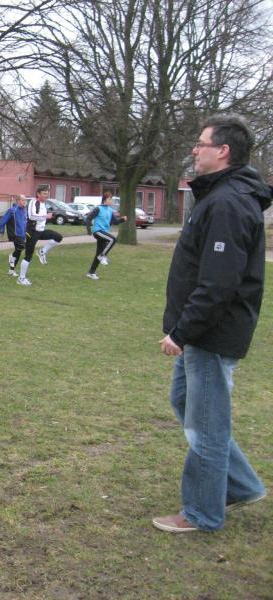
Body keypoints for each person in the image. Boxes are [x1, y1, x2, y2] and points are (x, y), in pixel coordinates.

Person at [153, 114, 271, 534]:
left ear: (223, 151)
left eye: (201, 143)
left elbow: (219, 283)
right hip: (204, 330)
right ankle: (241, 485)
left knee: (206, 423)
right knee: (186, 402)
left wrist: (183, 331)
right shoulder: (219, 196)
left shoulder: (228, 203)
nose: (194, 149)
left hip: (212, 332)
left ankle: (202, 512)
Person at [18, 185, 63, 286]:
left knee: (58, 237)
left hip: (41, 231)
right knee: (28, 256)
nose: (46, 195)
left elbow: (41, 218)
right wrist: (46, 216)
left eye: (47, 193)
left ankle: (42, 251)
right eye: (44, 193)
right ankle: (21, 278)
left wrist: (48, 216)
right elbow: (31, 216)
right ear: (38, 194)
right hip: (32, 232)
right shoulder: (33, 202)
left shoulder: (43, 204)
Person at [83, 190, 127, 280]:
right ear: (104, 200)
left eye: (111, 199)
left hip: (104, 233)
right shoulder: (98, 208)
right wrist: (89, 230)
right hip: (98, 232)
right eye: (109, 199)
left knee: (98, 253)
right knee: (113, 239)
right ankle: (103, 255)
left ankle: (91, 272)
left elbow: (114, 222)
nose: (111, 201)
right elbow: (88, 218)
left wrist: (122, 220)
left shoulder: (110, 210)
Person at [0, 195, 27, 278]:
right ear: (18, 201)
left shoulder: (25, 211)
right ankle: (11, 256)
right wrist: (1, 230)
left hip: (22, 234)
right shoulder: (12, 210)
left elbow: (25, 222)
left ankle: (11, 270)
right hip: (15, 234)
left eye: (25, 200)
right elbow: (3, 221)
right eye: (23, 200)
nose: (24, 202)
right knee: (22, 246)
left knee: (18, 252)